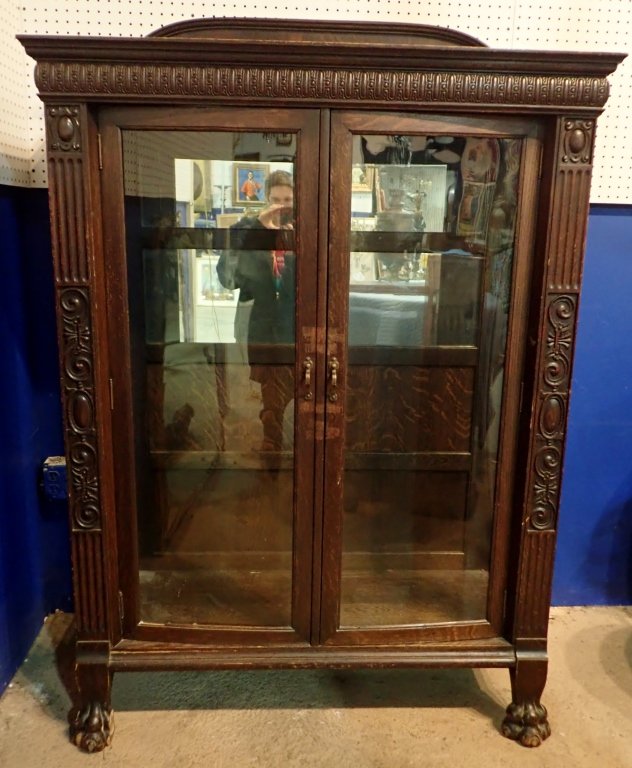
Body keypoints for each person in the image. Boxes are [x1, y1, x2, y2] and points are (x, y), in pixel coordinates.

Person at [217, 170, 295, 456]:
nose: (281, 206)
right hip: (264, 328)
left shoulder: (305, 227)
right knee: (271, 397)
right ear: (266, 199)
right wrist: (258, 231)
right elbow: (228, 279)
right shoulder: (250, 228)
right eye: (276, 200)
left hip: (297, 327)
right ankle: (272, 444)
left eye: (288, 200)